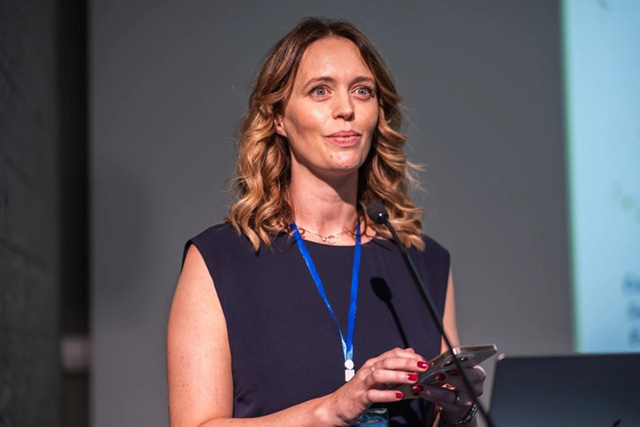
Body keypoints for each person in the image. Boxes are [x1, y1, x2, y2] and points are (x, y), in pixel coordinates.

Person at [167, 17, 486, 426]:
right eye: (321, 91)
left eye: (362, 91)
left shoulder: (421, 260)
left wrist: (459, 412)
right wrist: (332, 409)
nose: (346, 109)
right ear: (279, 117)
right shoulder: (220, 260)